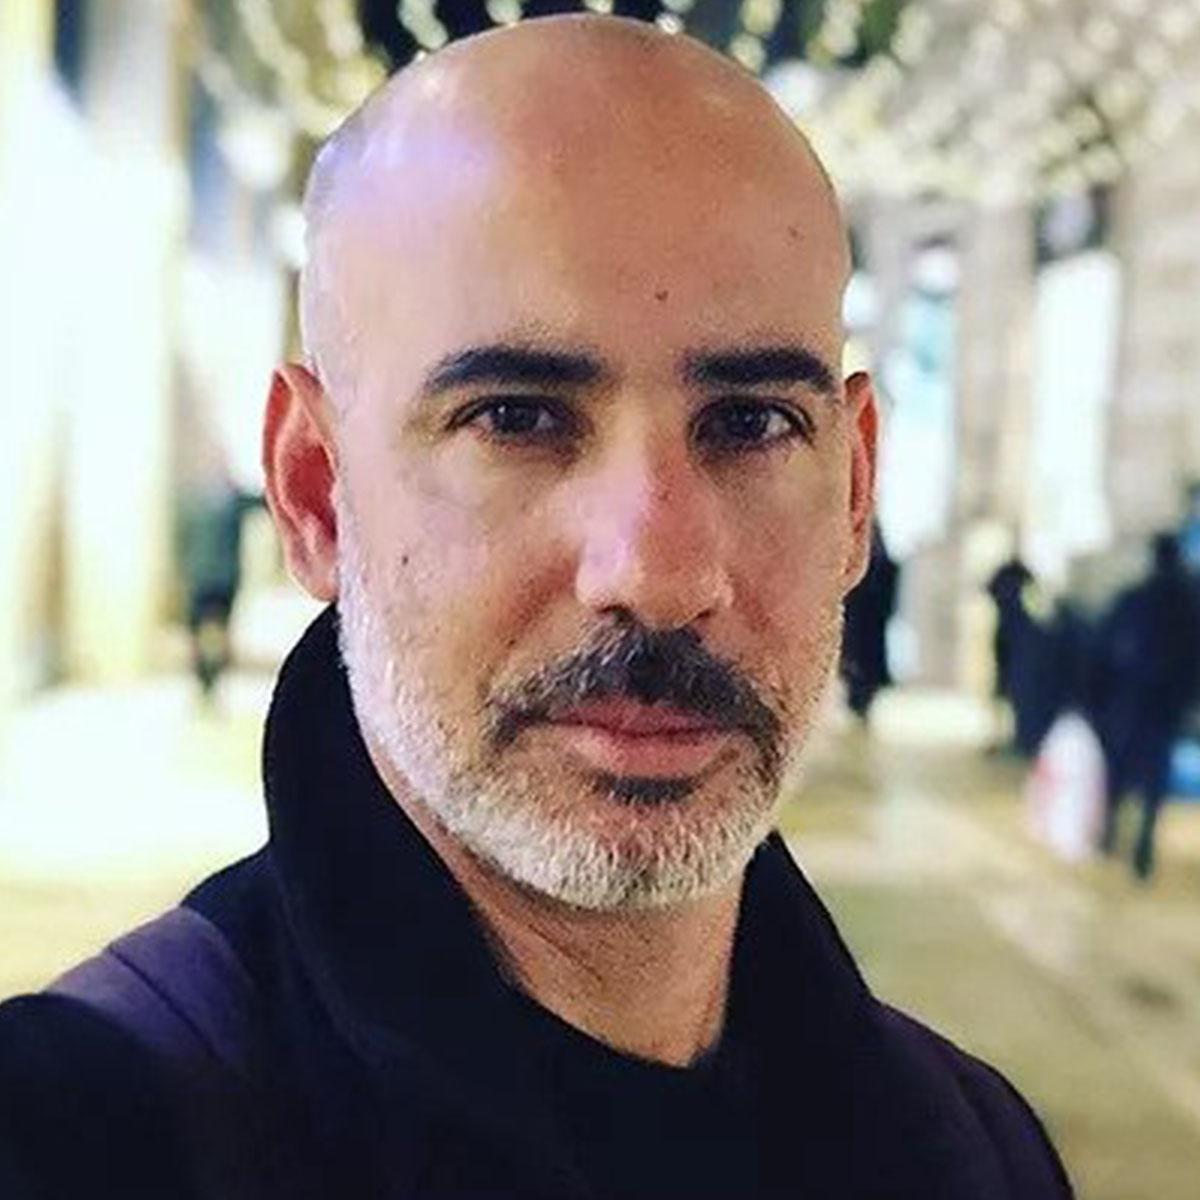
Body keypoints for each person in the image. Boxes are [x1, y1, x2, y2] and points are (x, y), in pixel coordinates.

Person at [0, 18, 1073, 1198]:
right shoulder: (81, 1135)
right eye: (515, 418)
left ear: (855, 493)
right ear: (315, 495)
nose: (658, 575)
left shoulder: (975, 1147)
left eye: (754, 423)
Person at [1094, 533, 1200, 881]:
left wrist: (1101, 697)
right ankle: (1143, 844)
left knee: (1121, 764)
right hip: (1166, 704)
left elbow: (1106, 647)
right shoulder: (1189, 603)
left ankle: (1110, 832)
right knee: (1155, 772)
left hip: (1131, 699)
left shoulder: (1135, 598)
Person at [840, 522, 899, 721]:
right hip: (862, 624)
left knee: (862, 666)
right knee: (859, 666)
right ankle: (858, 705)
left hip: (866, 624)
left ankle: (859, 705)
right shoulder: (875, 553)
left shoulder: (875, 554)